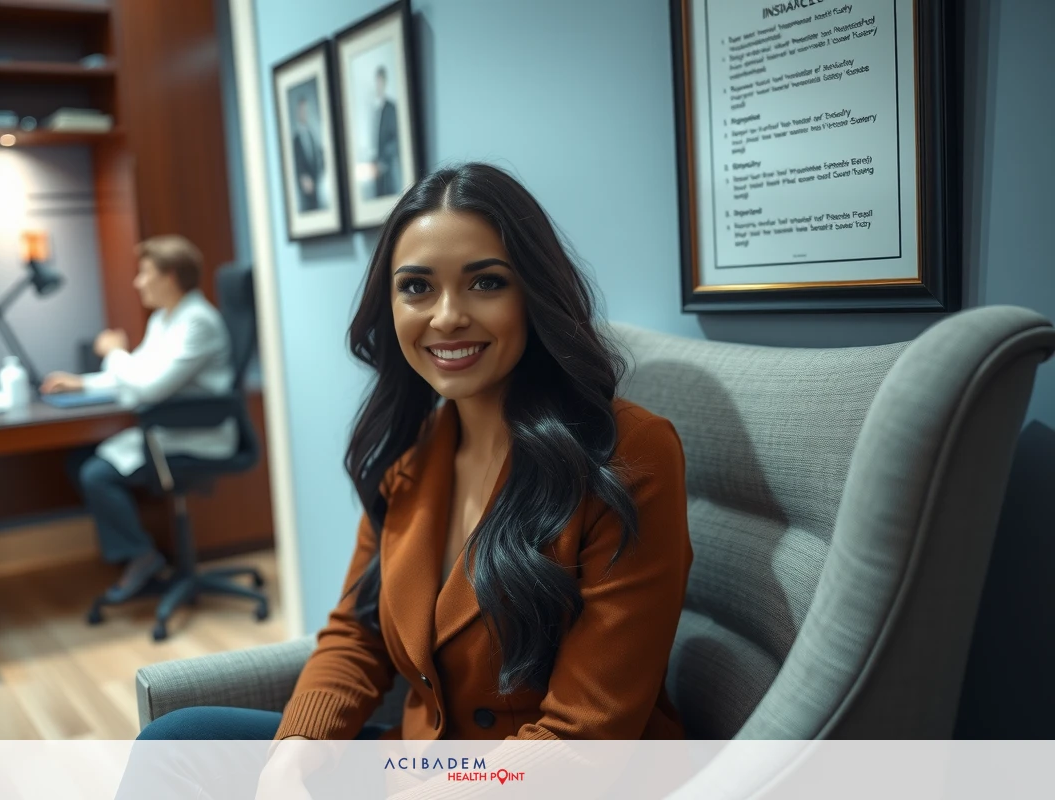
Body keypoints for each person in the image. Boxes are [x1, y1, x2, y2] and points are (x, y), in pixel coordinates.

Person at [127, 162, 692, 784]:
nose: (446, 316)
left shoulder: (628, 454)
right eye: (417, 288)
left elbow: (587, 734)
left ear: (534, 294)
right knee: (174, 743)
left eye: (486, 283)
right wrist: (292, 759)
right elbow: (357, 632)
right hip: (420, 763)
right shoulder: (414, 451)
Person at [42, 235, 237, 603]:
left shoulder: (198, 323)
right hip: (166, 430)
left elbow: (146, 388)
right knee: (80, 461)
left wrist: (115, 353)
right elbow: (138, 373)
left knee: (94, 473)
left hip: (196, 434)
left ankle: (142, 556)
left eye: (145, 273)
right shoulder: (166, 319)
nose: (137, 282)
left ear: (171, 276)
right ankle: (139, 554)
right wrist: (81, 383)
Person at [369, 65, 400, 197]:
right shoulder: (373, 110)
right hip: (375, 166)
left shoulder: (391, 108)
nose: (378, 85)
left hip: (388, 167)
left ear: (385, 83)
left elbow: (396, 139)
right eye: (377, 82)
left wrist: (384, 161)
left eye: (380, 82)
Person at [292, 93, 324, 212]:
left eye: (306, 110)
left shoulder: (312, 135)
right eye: (302, 110)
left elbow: (319, 157)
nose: (304, 113)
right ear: (298, 112)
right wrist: (303, 178)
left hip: (316, 185)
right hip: (304, 190)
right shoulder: (295, 139)